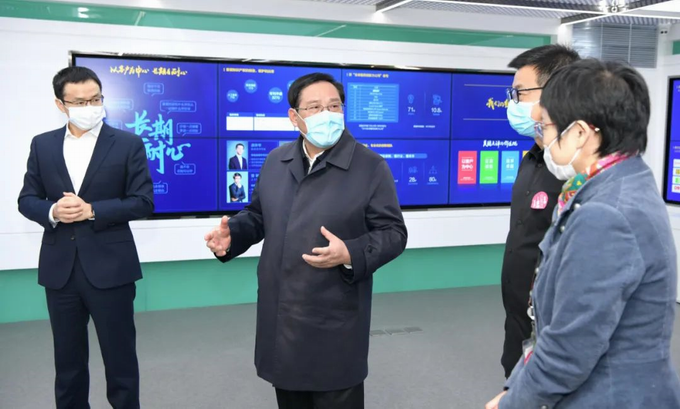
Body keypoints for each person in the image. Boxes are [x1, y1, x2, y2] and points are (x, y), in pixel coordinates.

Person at [204, 72, 407, 409]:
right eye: (314, 107)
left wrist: (350, 252)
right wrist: (233, 235)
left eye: (334, 106)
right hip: (282, 316)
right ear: (294, 116)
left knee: (335, 393)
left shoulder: (370, 167)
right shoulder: (276, 161)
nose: (327, 114)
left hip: (334, 315)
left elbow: (393, 233)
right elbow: (258, 215)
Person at [486, 59, 680, 409]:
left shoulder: (606, 214)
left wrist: (513, 402)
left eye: (546, 127)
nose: (542, 138)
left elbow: (569, 347)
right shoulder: (625, 182)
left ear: (579, 133)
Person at [18, 66, 154, 409]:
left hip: (112, 269)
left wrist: (92, 210)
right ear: (60, 104)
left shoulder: (128, 144)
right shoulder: (42, 144)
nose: (89, 107)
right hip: (60, 271)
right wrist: (52, 211)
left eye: (95, 99)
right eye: (79, 102)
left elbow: (143, 201)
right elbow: (27, 199)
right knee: (68, 364)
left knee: (120, 361)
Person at [500, 44, 580, 378]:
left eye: (520, 93)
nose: (513, 103)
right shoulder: (532, 158)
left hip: (554, 321)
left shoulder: (574, 171)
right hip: (520, 316)